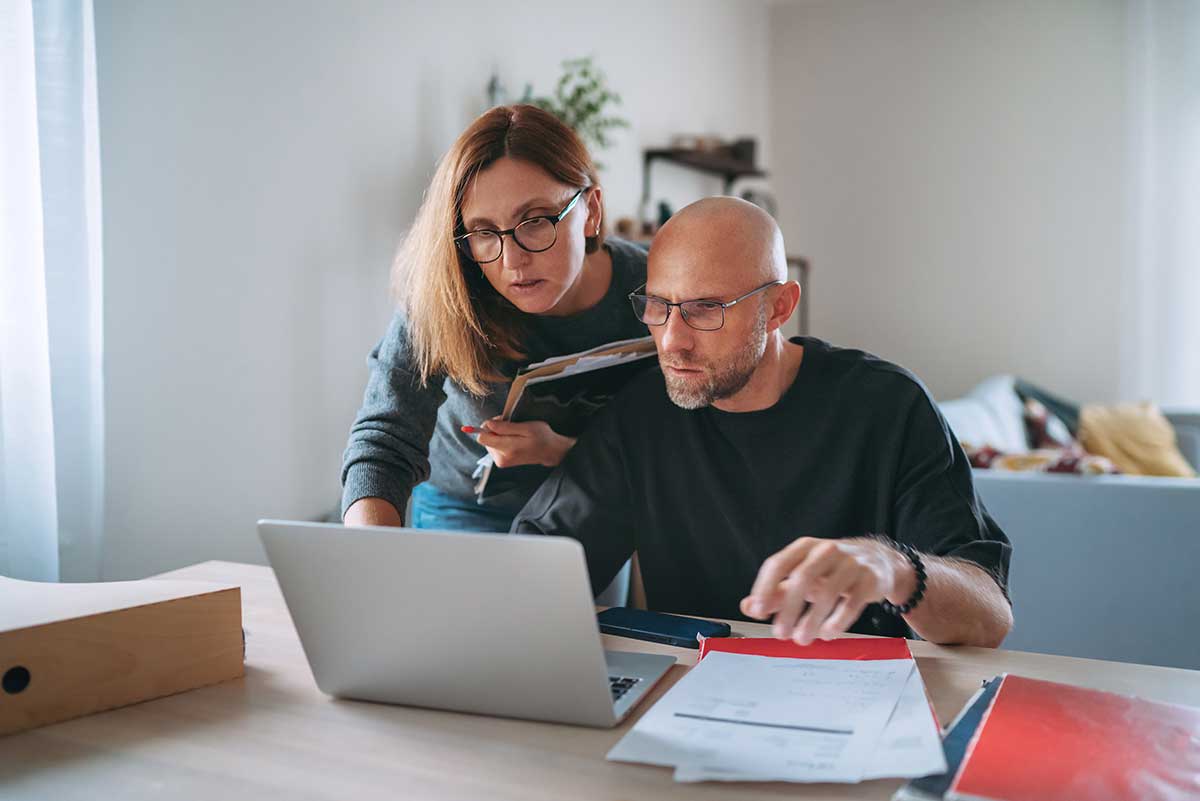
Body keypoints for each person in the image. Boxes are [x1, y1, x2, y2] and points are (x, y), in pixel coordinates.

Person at [512, 197, 1013, 647]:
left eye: (706, 309)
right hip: (691, 693)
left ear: (779, 307)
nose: (671, 341)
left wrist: (897, 569)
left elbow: (989, 616)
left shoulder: (887, 406)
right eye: (659, 307)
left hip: (862, 697)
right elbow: (535, 570)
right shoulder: (642, 414)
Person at [340, 105, 648, 602]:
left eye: (535, 221)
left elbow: (687, 449)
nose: (513, 261)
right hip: (462, 508)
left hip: (593, 509)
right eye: (484, 231)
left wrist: (565, 454)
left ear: (590, 211)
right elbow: (384, 438)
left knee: (585, 665)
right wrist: (370, 565)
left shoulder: (655, 292)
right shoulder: (445, 290)